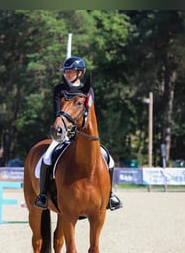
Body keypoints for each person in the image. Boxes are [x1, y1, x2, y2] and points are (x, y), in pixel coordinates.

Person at [34, 56, 123, 211]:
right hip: (63, 132)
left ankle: (109, 195)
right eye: (66, 71)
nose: (67, 73)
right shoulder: (59, 89)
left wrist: (81, 131)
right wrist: (64, 130)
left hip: (82, 134)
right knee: (47, 157)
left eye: (70, 71)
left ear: (80, 73)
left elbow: (89, 114)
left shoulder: (88, 91)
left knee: (109, 160)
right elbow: (57, 112)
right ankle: (43, 194)